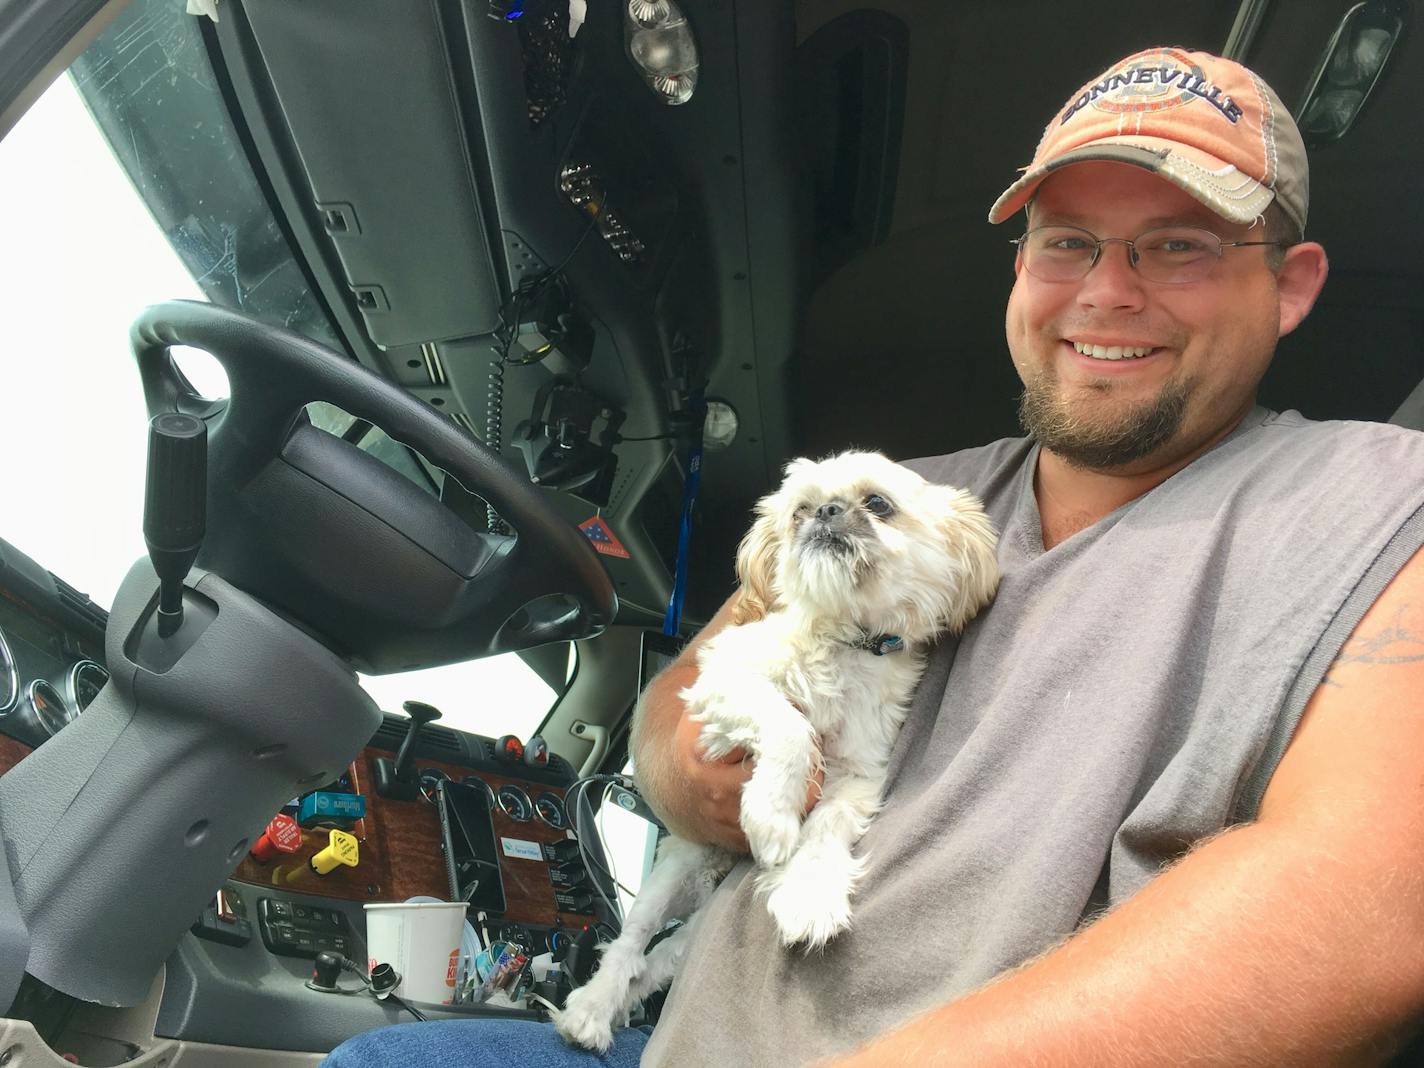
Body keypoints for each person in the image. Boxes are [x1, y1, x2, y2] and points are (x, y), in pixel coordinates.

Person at [323, 45, 1424, 1068]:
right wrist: (694, 778)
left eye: (1176, 245)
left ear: (1290, 283)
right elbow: (677, 709)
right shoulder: (906, 493)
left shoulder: (1374, 502)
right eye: (1065, 242)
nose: (1106, 290)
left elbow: (1366, 899)